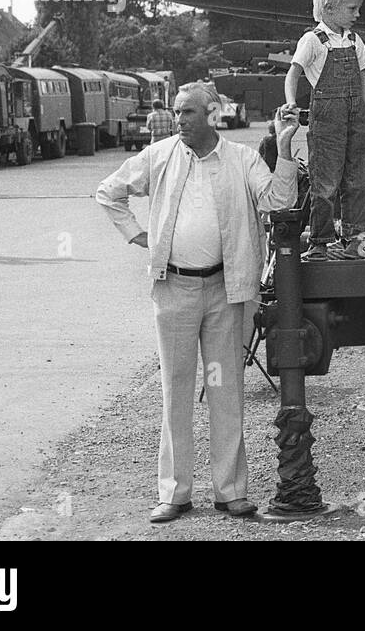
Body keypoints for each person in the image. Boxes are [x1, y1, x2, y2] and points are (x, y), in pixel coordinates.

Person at [95, 82, 302, 523]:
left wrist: (284, 150)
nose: (179, 120)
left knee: (226, 390)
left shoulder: (242, 159)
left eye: (187, 112)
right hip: (174, 292)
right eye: (176, 112)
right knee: (176, 391)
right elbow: (108, 192)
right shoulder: (159, 155)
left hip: (225, 294)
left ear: (212, 114)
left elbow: (280, 201)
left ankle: (231, 492)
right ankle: (174, 493)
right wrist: (139, 237)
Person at [284, 0, 365, 261]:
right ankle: (319, 242)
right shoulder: (313, 40)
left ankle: (357, 241)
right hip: (327, 120)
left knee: (360, 180)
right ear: (329, 8)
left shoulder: (354, 40)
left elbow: (363, 76)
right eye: (352, 9)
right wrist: (290, 103)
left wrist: (362, 109)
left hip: (356, 119)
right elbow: (293, 74)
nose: (357, 14)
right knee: (325, 182)